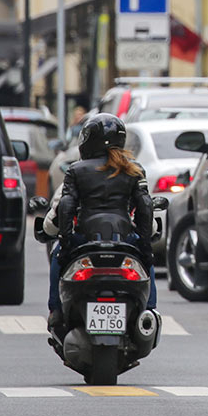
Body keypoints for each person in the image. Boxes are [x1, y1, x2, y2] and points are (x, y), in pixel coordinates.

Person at [44, 114, 157, 335]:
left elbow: (66, 205)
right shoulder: (133, 169)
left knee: (58, 256)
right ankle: (150, 311)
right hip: (125, 239)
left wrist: (66, 243)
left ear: (87, 139)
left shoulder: (76, 170)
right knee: (147, 263)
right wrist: (145, 244)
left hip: (84, 239)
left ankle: (55, 310)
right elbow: (145, 206)